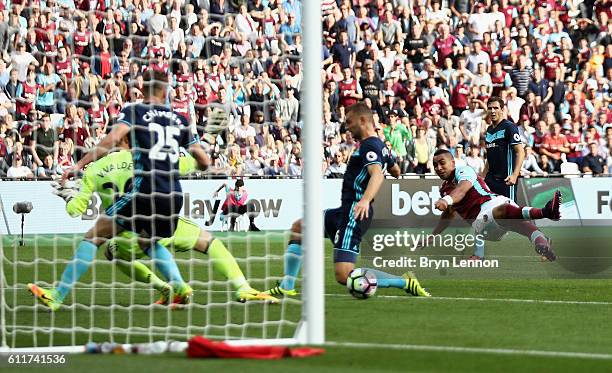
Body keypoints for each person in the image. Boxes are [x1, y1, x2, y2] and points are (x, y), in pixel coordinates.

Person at [27, 70, 210, 311]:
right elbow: (204, 161)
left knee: (95, 235)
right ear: (166, 91)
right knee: (148, 242)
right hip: (173, 195)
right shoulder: (180, 120)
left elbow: (112, 140)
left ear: (143, 87)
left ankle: (57, 296)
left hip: (145, 189)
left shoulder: (135, 111)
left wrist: (79, 164)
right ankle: (180, 286)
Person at [36, 135, 276, 307]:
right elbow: (195, 163)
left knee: (111, 251)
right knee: (210, 243)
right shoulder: (153, 159)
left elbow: (75, 210)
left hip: (125, 232)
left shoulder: (94, 169)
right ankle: (242, 287)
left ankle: (163, 286)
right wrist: (194, 145)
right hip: (163, 222)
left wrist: (69, 196)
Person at [264, 103, 430, 297]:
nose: (347, 127)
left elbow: (377, 175)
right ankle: (287, 285)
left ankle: (403, 282)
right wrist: (387, 167)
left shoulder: (370, 145)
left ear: (363, 120)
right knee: (299, 228)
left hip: (355, 214)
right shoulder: (380, 146)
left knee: (344, 276)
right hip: (344, 212)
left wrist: (365, 199)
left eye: (349, 122)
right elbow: (396, 171)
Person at [426, 149, 560, 262]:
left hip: (495, 206)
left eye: (442, 163)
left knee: (521, 224)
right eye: (435, 165)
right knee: (504, 212)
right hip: (483, 223)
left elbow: (462, 189)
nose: (438, 168)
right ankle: (546, 212)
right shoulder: (444, 189)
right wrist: (433, 235)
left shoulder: (463, 171)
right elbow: (448, 214)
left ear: (453, 163)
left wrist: (446, 200)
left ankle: (541, 241)